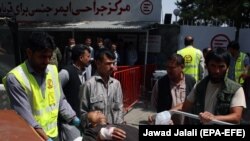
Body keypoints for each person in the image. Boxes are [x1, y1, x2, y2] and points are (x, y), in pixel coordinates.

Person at [2, 32, 80, 141]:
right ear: (29, 53)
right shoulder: (15, 78)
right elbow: (24, 115)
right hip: (32, 136)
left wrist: (72, 117)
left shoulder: (52, 70)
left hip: (54, 134)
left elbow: (60, 99)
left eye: (49, 56)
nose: (47, 61)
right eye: (42, 57)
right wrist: (44, 137)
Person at [179, 47, 246, 124]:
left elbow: (236, 117)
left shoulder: (236, 89)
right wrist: (168, 112)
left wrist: (214, 118)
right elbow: (185, 106)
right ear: (207, 66)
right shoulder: (199, 86)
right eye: (213, 66)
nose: (217, 71)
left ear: (227, 68)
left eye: (221, 67)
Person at [79, 48, 124, 128]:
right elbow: (81, 115)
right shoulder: (88, 85)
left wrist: (119, 128)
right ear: (98, 63)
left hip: (114, 133)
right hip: (96, 135)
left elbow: (120, 109)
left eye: (113, 63)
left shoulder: (116, 84)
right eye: (108, 64)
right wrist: (90, 118)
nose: (112, 67)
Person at [149, 53, 196, 124]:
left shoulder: (191, 82)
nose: (168, 70)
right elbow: (154, 106)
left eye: (172, 68)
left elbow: (194, 104)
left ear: (182, 67)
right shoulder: (160, 83)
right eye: (167, 67)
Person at [58, 45, 91, 141]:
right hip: (69, 123)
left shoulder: (84, 72)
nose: (90, 59)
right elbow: (56, 92)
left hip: (80, 119)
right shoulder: (65, 73)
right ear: (81, 58)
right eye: (88, 56)